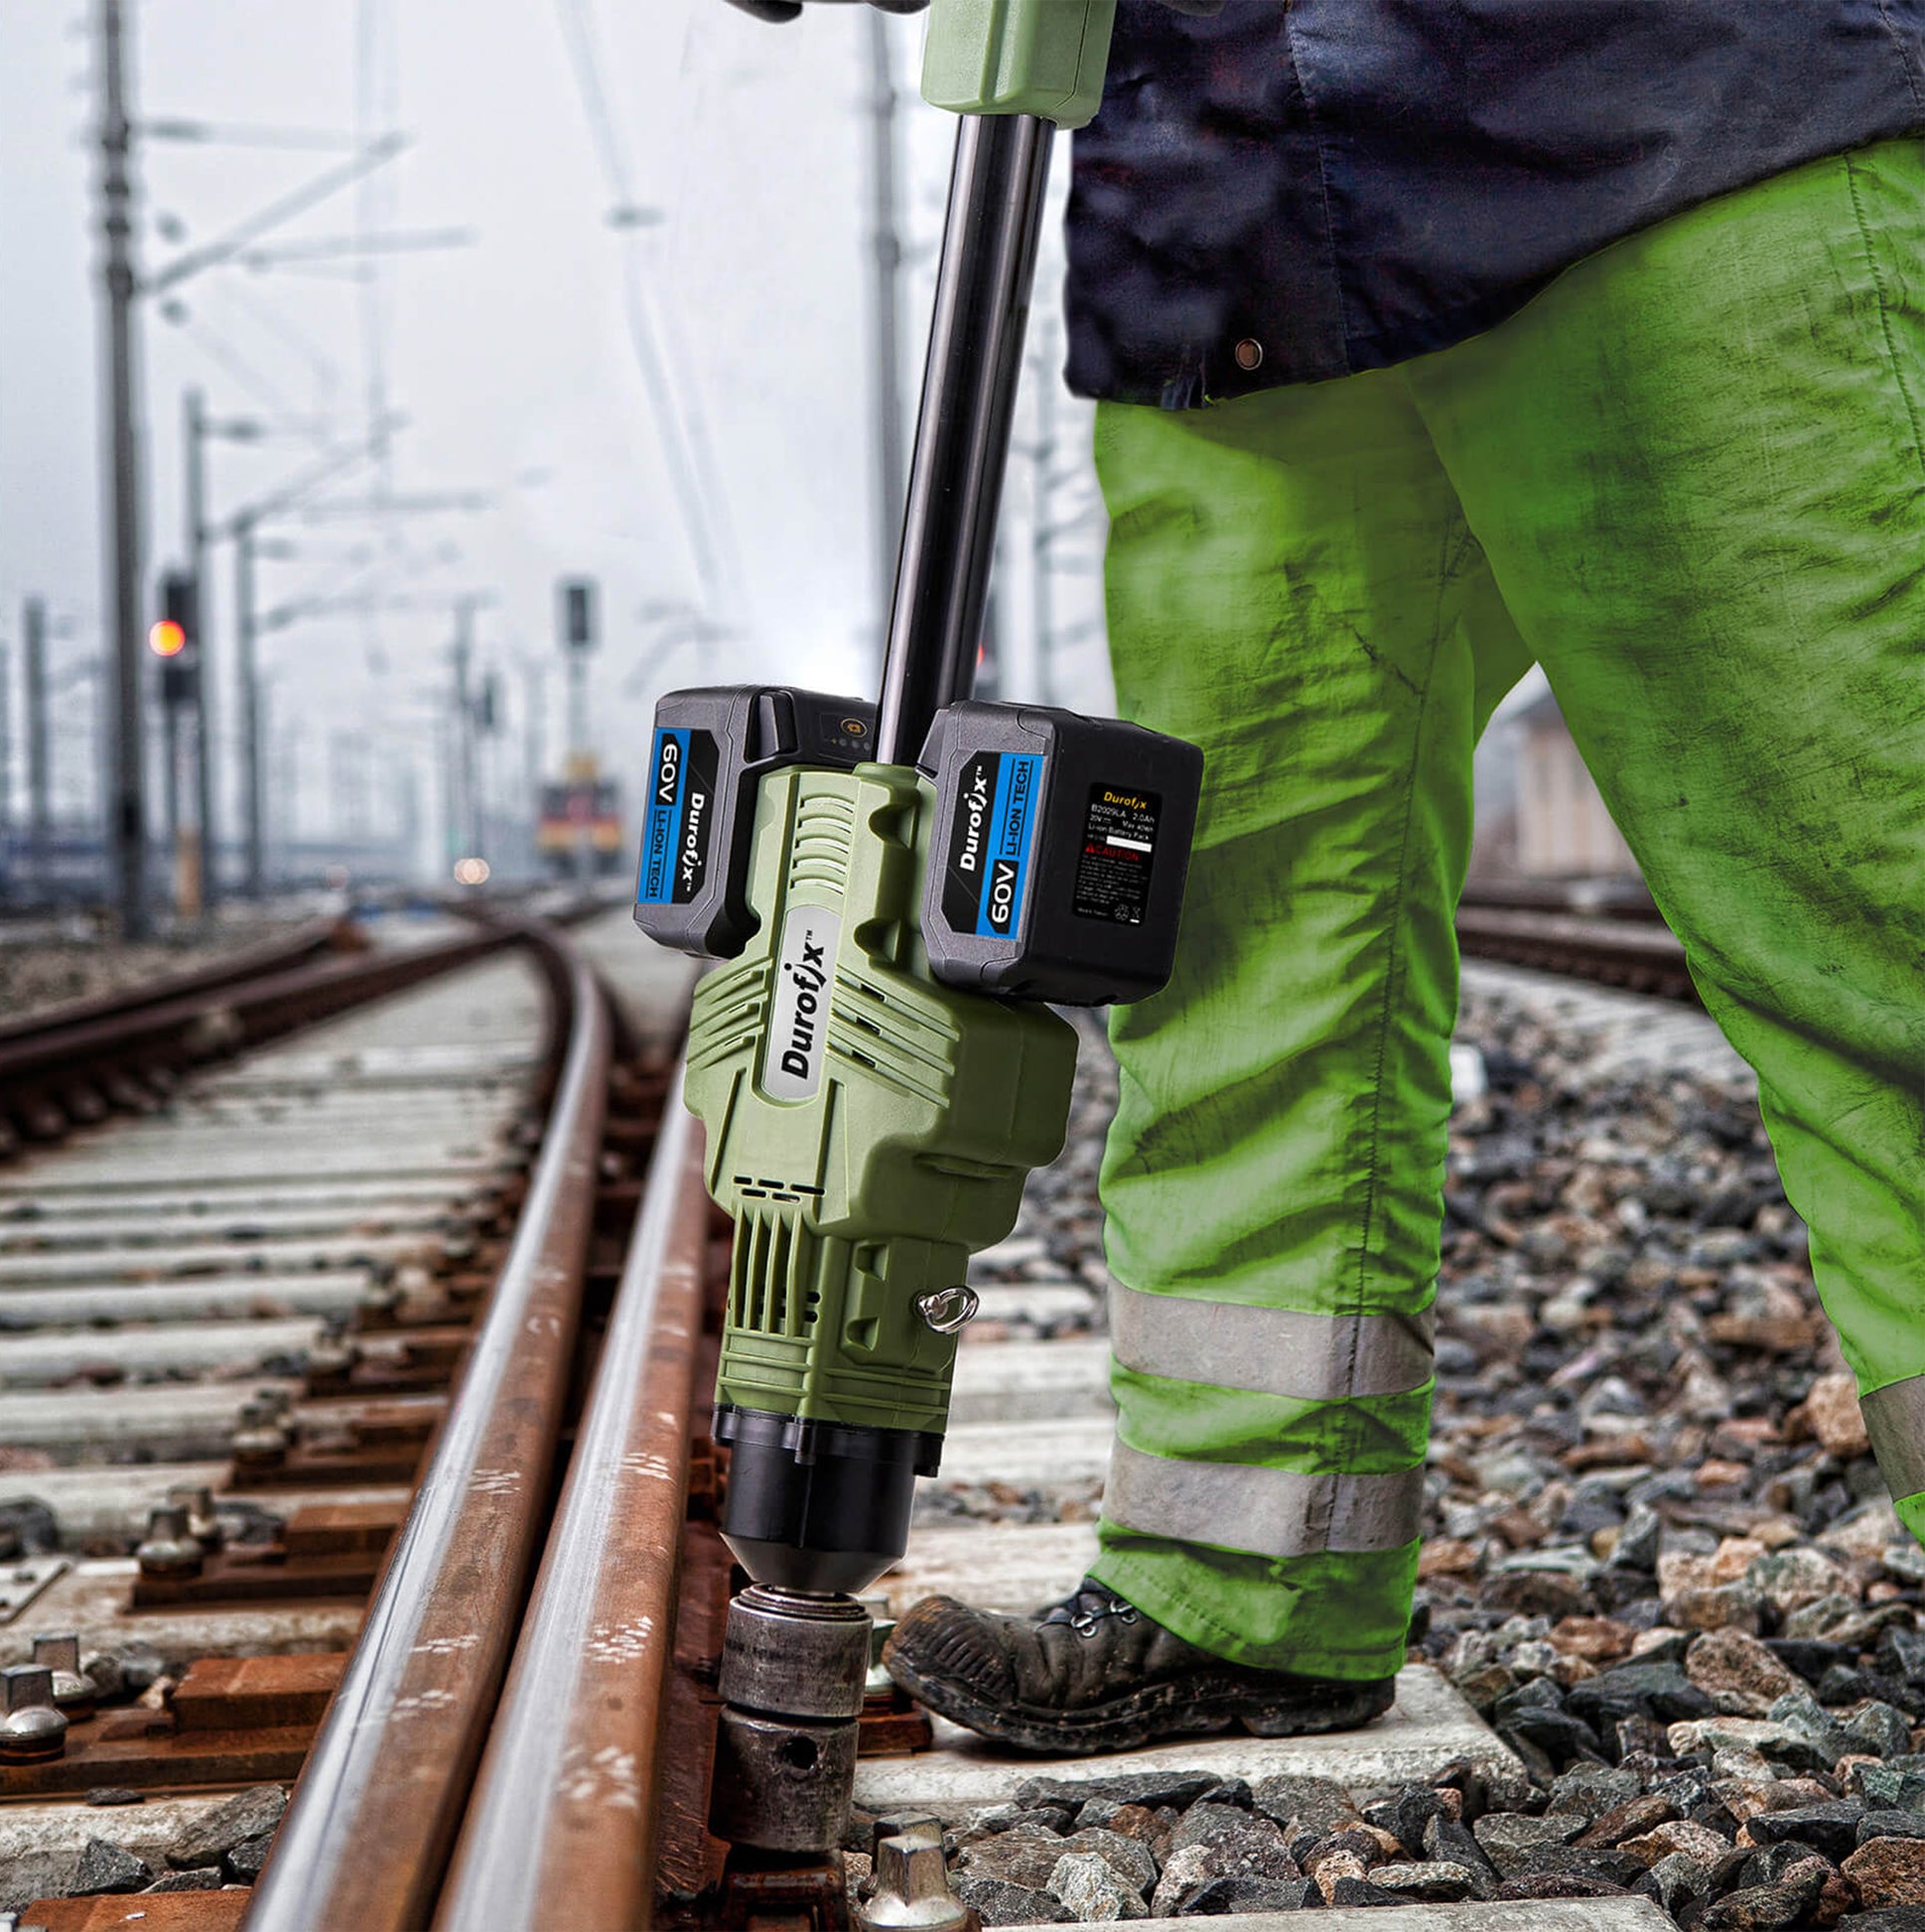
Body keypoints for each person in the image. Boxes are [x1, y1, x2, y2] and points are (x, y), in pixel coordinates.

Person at [727, 0, 1925, 1754]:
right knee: (1236, 958)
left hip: (1667, 116)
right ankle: (1238, 1583)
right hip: (1226, 228)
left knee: (1871, 903)